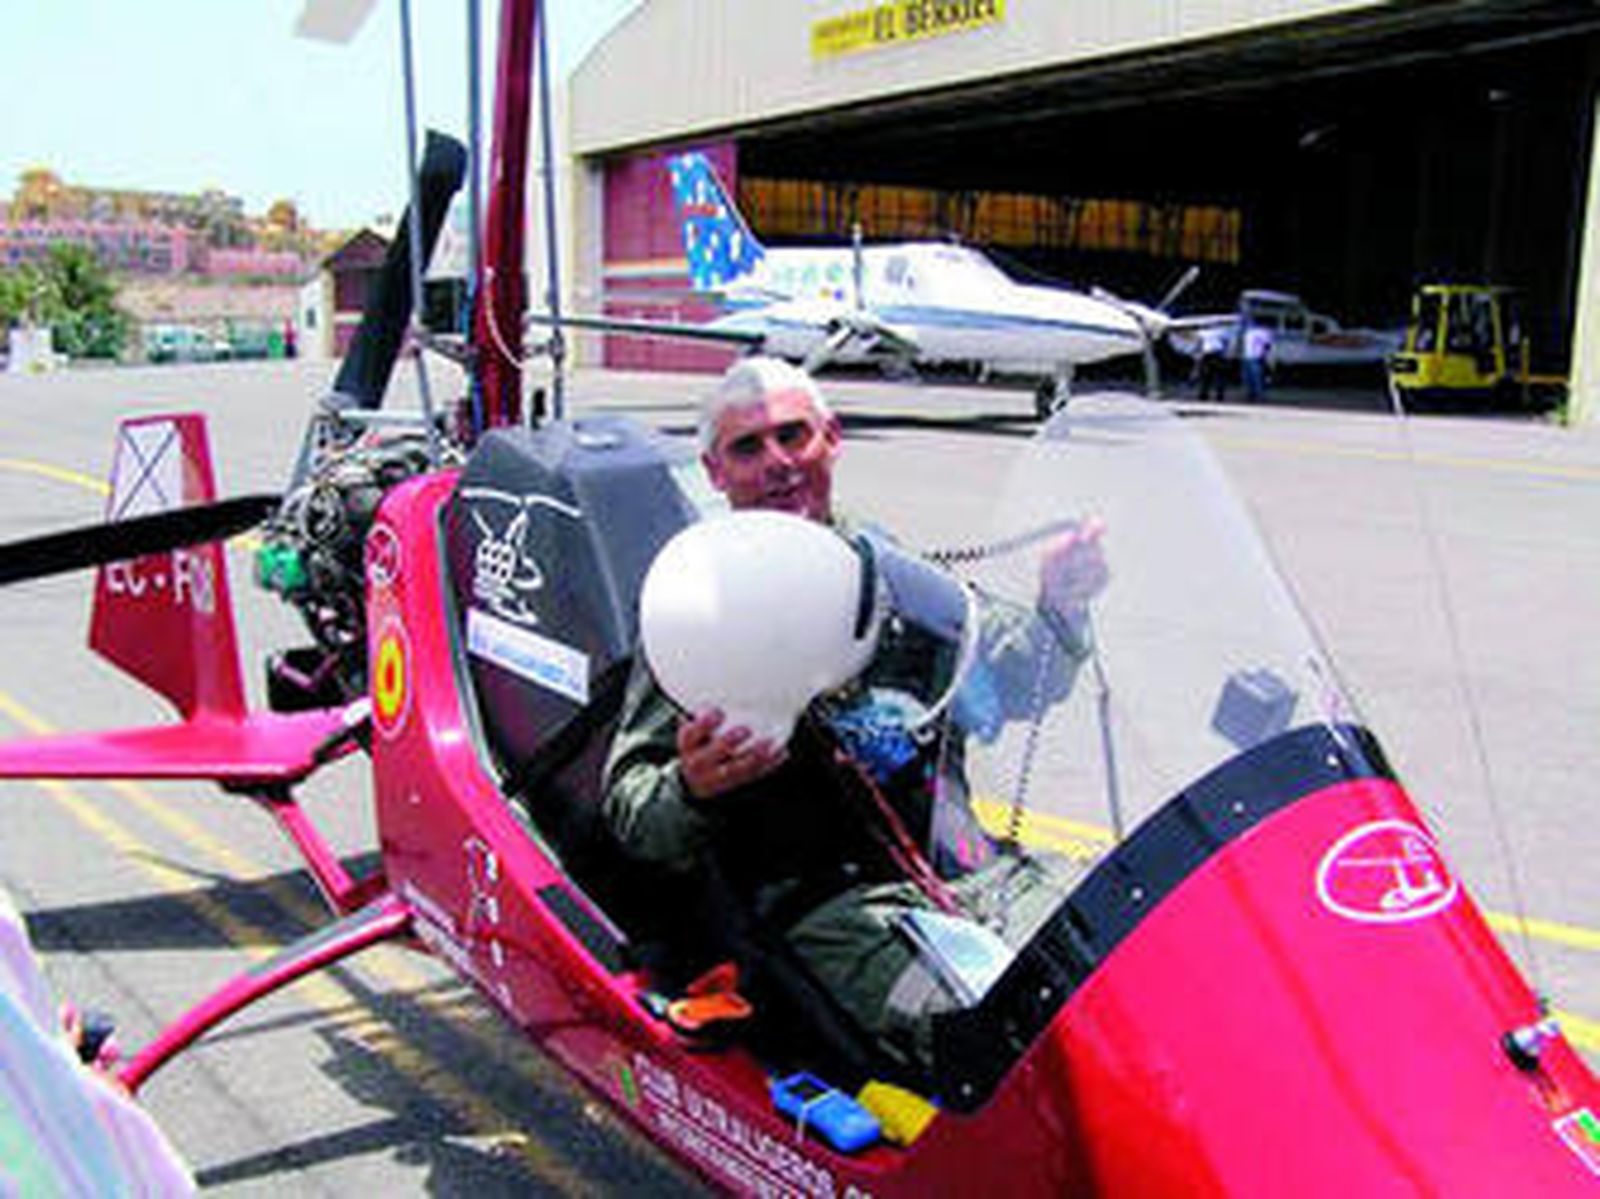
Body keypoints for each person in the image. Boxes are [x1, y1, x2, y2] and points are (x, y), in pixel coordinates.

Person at [601, 356, 1108, 1077]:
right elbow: (631, 810)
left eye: (793, 436)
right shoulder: (698, 607)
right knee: (1012, 1044)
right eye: (749, 447)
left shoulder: (885, 561)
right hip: (835, 910)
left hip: (976, 869)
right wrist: (691, 785)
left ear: (831, 439)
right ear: (716, 472)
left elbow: (1014, 677)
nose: (777, 463)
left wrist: (1062, 604)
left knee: (1146, 968)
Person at [1194, 323, 1230, 401]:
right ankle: (1215, 395)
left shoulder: (1203, 332)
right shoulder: (1221, 331)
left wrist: (1198, 353)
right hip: (1215, 354)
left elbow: (1199, 343)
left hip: (1211, 354)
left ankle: (1206, 394)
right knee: (1215, 376)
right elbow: (1226, 342)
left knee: (1208, 376)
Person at [1242, 320, 1274, 402]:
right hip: (1248, 356)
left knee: (1257, 378)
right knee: (1248, 378)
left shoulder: (1265, 332)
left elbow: (1267, 345)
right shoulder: (1249, 332)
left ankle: (1259, 396)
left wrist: (1265, 356)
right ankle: (1250, 395)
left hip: (1257, 356)